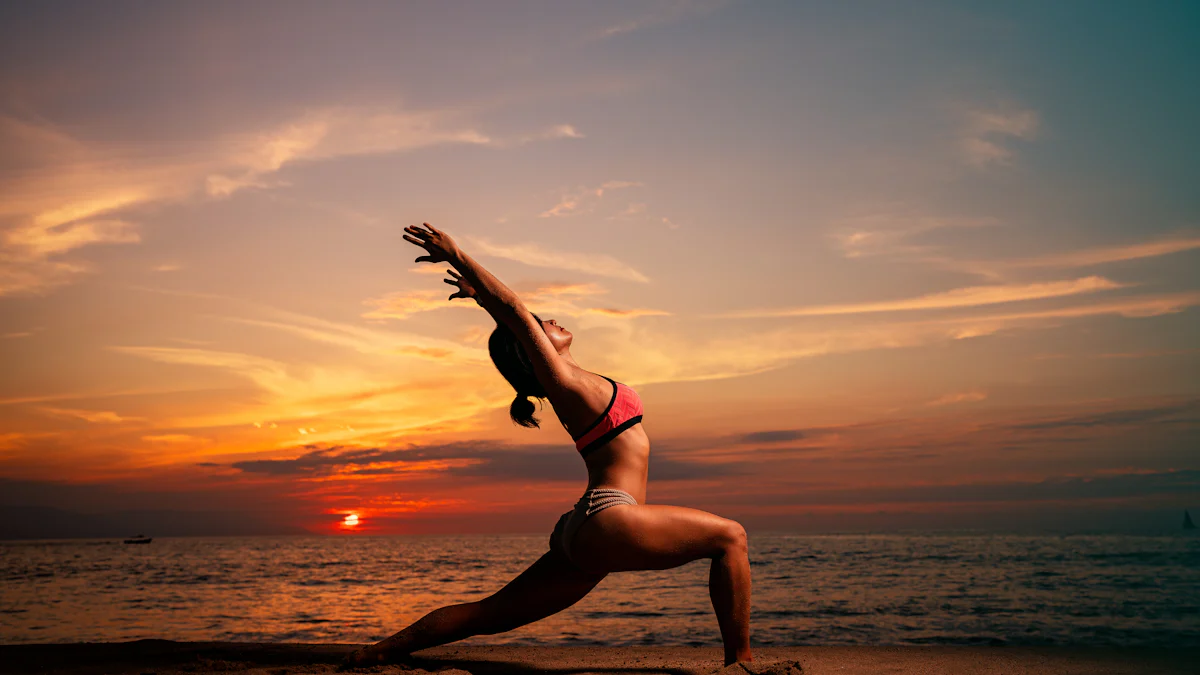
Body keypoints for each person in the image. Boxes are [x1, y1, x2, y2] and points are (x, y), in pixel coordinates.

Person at [345, 223, 754, 668]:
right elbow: (516, 311)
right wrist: (459, 256)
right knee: (730, 536)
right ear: (532, 348)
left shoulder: (573, 381)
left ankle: (378, 653)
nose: (550, 320)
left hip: (586, 527)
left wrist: (483, 301)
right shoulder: (563, 383)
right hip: (609, 516)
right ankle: (742, 662)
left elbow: (513, 318)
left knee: (492, 612)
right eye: (541, 326)